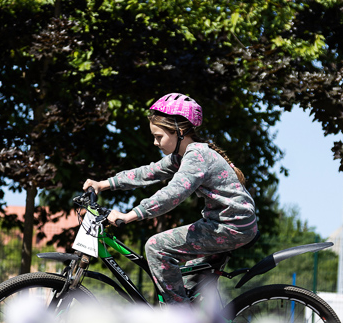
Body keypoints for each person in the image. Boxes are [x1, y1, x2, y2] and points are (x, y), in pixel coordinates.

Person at [83, 93, 258, 304]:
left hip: (232, 226)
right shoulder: (183, 156)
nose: (155, 143)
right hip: (225, 224)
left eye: (159, 137)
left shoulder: (196, 157)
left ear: (180, 132)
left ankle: (178, 320)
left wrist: (131, 215)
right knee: (188, 285)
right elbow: (149, 172)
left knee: (156, 247)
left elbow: (172, 194)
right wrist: (104, 184)